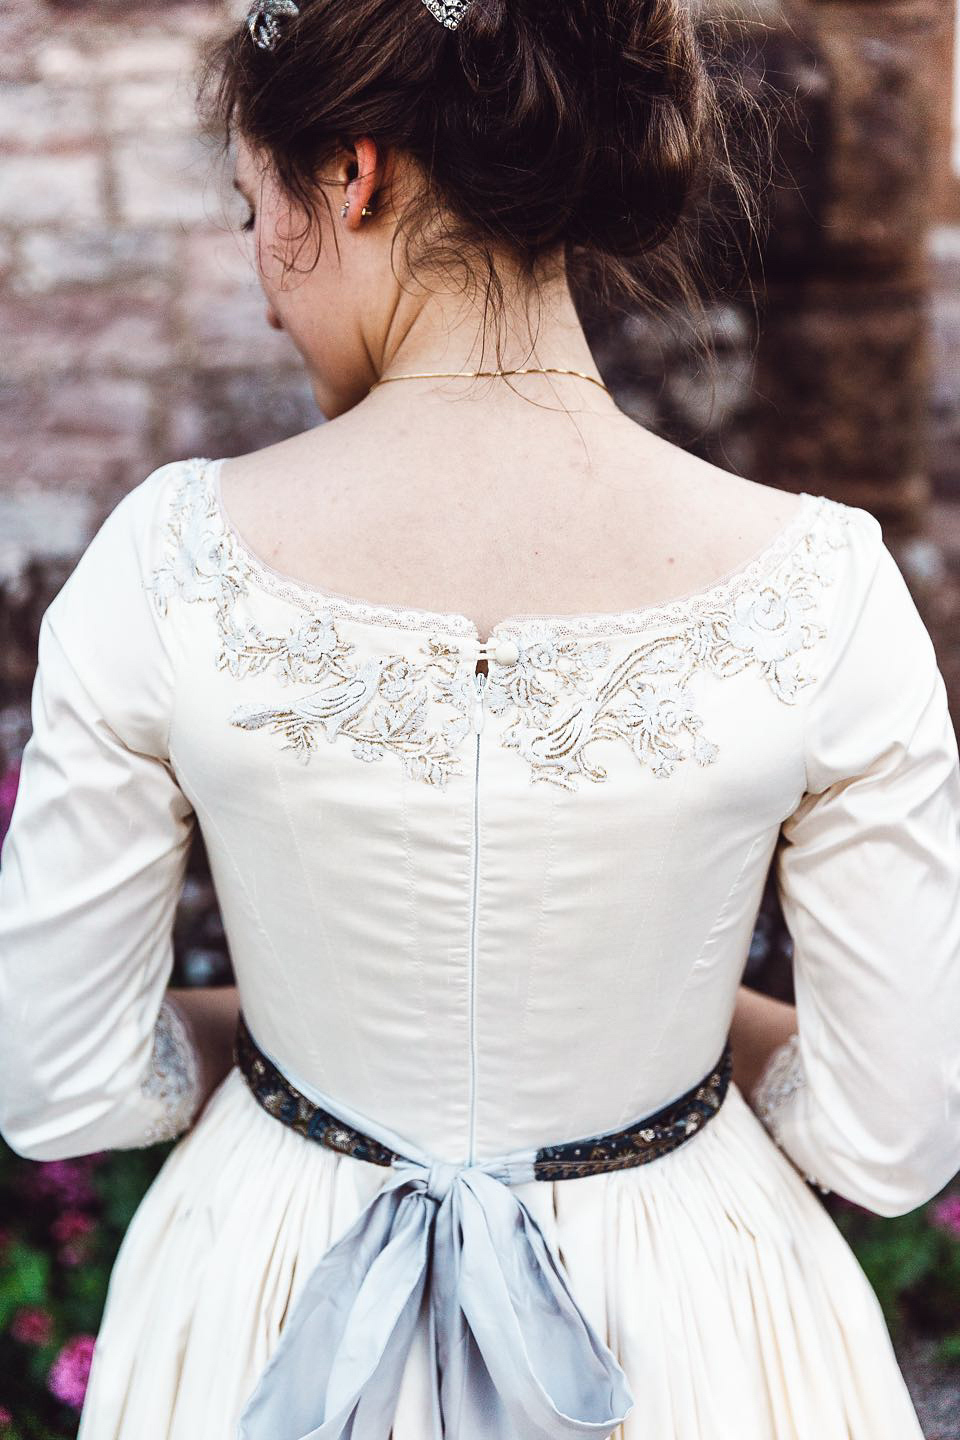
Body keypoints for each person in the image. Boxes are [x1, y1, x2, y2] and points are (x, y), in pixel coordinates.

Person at [1, 0, 959, 1434]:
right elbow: (891, 1135)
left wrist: (291, 1026)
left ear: (353, 175)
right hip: (691, 1315)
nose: (265, 281)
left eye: (252, 204)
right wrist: (655, 1028)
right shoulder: (823, 584)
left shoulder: (167, 559)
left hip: (262, 1289)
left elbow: (56, 1083)